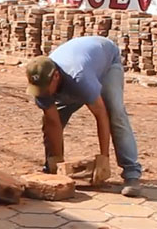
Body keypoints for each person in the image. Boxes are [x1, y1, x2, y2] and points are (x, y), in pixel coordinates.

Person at [25, 36, 142, 197]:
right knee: (49, 120)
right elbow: (53, 123)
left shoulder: (79, 77)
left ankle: (131, 174)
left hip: (107, 62)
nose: (42, 93)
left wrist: (103, 160)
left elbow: (101, 116)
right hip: (79, 72)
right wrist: (57, 165)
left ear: (56, 77)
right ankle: (50, 165)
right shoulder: (41, 84)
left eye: (45, 88)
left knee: (115, 113)